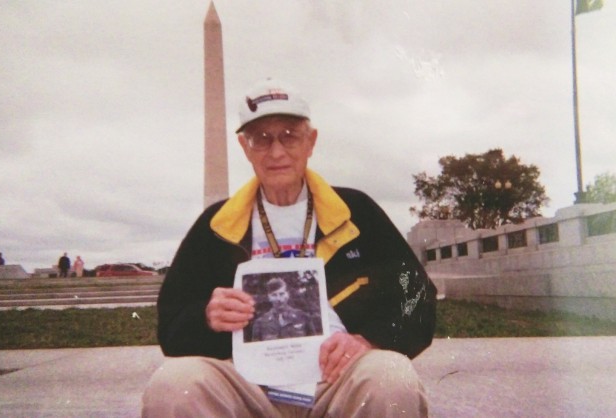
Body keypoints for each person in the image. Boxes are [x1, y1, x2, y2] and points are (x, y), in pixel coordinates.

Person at [142, 78, 437, 417]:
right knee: (173, 384)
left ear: (311, 141)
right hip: (247, 383)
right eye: (262, 139)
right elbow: (170, 327)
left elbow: (416, 298)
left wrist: (367, 340)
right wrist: (207, 317)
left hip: (336, 379)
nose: (277, 151)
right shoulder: (216, 225)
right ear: (244, 147)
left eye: (289, 136)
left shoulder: (357, 213)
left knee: (391, 375)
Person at [251, 277, 317, 342]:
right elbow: (257, 351)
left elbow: (313, 343)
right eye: (274, 295)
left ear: (287, 294)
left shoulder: (303, 317)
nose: (279, 299)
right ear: (269, 297)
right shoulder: (260, 323)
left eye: (281, 294)